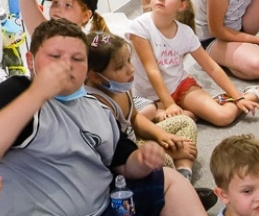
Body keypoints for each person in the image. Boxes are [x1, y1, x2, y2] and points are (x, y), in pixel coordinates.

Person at [0, 19, 224, 216]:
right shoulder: (16, 93)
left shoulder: (93, 104)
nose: (67, 66)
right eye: (55, 57)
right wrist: (40, 90)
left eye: (77, 59)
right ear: (31, 61)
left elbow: (123, 163)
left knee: (167, 177)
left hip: (100, 205)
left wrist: (143, 160)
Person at [124, 0, 259, 127]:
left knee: (224, 117)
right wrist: (169, 104)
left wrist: (238, 97)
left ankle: (251, 95)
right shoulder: (140, 26)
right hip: (150, 97)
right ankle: (192, 112)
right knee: (149, 122)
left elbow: (212, 67)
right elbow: (152, 70)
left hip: (180, 87)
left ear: (182, 5)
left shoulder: (185, 33)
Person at [84, 30, 201, 190]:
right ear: (96, 77)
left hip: (136, 139)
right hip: (126, 158)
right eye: (120, 67)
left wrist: (162, 136)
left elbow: (134, 118)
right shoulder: (98, 105)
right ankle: (174, 184)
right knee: (162, 160)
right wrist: (166, 150)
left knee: (185, 122)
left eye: (128, 61)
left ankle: (183, 174)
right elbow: (115, 157)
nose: (130, 69)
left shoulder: (122, 87)